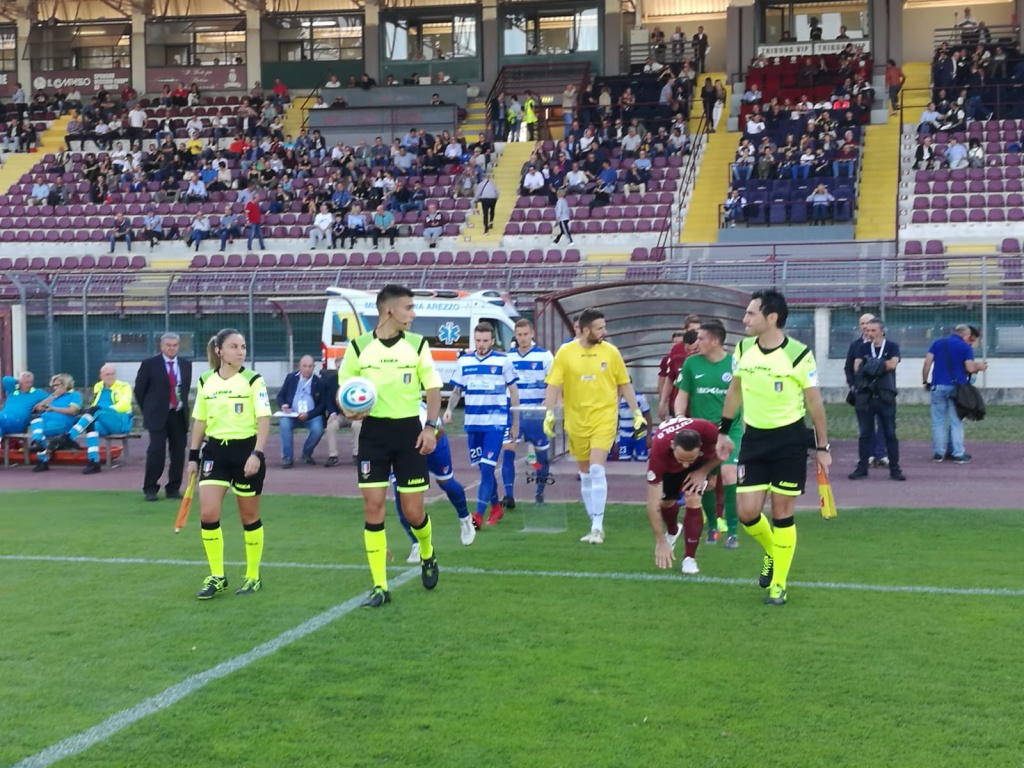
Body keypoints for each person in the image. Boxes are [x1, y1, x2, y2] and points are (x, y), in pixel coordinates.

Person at [716, 290, 831, 606]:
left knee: (782, 513)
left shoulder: (798, 354)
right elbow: (735, 392)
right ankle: (772, 552)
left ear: (772, 318)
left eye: (751, 314)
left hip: (790, 441)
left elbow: (815, 404)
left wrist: (823, 447)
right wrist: (723, 433)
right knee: (747, 514)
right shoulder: (742, 349)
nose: (744, 319)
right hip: (754, 440)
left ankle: (778, 585)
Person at [337, 284, 443, 608]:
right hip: (373, 435)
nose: (413, 313)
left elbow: (434, 388)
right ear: (389, 311)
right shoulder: (358, 348)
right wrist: (348, 409)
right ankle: (379, 586)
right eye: (408, 307)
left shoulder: (417, 344)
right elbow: (345, 391)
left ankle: (427, 551)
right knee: (374, 509)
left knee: (413, 512)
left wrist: (430, 428)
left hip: (409, 432)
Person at [543, 308, 644, 544]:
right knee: (586, 475)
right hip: (576, 420)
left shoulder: (611, 352)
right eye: (600, 328)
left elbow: (625, 383)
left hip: (604, 418)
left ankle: (597, 527)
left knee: (597, 470)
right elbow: (552, 385)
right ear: (586, 330)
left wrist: (636, 412)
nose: (604, 332)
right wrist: (549, 413)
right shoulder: (566, 352)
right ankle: (594, 524)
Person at [187, 329, 271, 599]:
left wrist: (256, 454)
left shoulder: (252, 380)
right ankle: (217, 576)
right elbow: (200, 420)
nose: (240, 351)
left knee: (249, 517)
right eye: (234, 346)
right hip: (215, 452)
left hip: (245, 451)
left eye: (243, 346)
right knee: (208, 514)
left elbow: (264, 420)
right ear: (219, 351)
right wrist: (192, 456)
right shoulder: (205, 381)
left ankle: (253, 576)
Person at [674, 320, 742, 548]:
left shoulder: (735, 363)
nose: (696, 343)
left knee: (730, 474)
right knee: (709, 483)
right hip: (702, 430)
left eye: (701, 338)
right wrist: (679, 417)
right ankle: (713, 527)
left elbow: (745, 396)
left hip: (730, 428)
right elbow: (682, 394)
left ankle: (732, 531)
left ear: (715, 341)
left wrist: (745, 425)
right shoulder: (692, 363)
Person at [445, 323, 520, 528]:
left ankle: (477, 515)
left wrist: (515, 423)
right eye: (478, 340)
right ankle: (496, 507)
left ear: (492, 341)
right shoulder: (465, 361)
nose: (481, 344)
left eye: (485, 341)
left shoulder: (503, 361)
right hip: (473, 424)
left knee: (487, 469)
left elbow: (514, 393)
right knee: (483, 470)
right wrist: (449, 409)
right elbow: (457, 391)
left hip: (495, 424)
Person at [396, 402, 475, 562]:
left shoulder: (417, 412)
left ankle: (465, 518)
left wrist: (423, 452)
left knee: (446, 482)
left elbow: (439, 432)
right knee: (402, 495)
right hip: (402, 450)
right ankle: (416, 543)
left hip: (434, 443)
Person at [647, 417, 723, 574]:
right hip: (669, 468)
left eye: (690, 460)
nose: (685, 466)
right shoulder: (658, 452)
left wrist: (703, 472)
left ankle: (689, 558)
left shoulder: (708, 430)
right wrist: (660, 541)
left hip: (701, 464)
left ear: (700, 446)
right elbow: (652, 505)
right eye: (681, 459)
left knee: (693, 498)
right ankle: (673, 531)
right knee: (666, 503)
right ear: (672, 446)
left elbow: (726, 449)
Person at [500, 319, 554, 508]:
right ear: (515, 335)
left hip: (536, 414)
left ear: (532, 334)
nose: (522, 338)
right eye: (519, 335)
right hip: (515, 413)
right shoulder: (508, 357)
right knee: (508, 452)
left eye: (525, 334)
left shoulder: (545, 356)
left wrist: (550, 401)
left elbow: (554, 382)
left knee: (541, 457)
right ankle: (509, 496)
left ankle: (539, 493)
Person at [135, 332, 193, 501]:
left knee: (178, 453)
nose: (171, 348)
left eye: (174, 345)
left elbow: (184, 388)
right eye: (168, 345)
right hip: (157, 415)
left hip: (178, 414)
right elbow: (140, 390)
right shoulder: (149, 364)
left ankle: (173, 488)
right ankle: (150, 488)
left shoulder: (185, 365)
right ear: (161, 346)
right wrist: (148, 409)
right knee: (156, 451)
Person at [49, 363, 134, 475]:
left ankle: (69, 437)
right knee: (91, 424)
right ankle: (94, 461)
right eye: (107, 374)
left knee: (94, 411)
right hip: (102, 421)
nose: (110, 376)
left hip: (120, 421)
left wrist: (104, 410)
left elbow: (125, 405)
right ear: (101, 376)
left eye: (112, 374)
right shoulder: (98, 386)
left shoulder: (124, 386)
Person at [922, 324, 987, 463]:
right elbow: (969, 368)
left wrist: (925, 381)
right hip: (956, 389)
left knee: (938, 421)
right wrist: (980, 367)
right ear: (966, 335)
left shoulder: (937, 343)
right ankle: (958, 453)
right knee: (956, 421)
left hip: (937, 385)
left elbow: (927, 363)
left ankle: (938, 453)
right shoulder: (965, 347)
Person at [849, 320, 905, 481]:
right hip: (866, 397)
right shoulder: (862, 347)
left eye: (873, 330)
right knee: (865, 433)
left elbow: (893, 364)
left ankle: (895, 469)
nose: (869, 333)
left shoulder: (892, 346)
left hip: (885, 396)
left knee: (890, 433)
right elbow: (857, 367)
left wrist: (871, 365)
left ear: (881, 331)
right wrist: (879, 365)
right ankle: (862, 467)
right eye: (867, 330)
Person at [845, 313, 888, 466]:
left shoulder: (886, 345)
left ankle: (881, 454)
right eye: (861, 324)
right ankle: (868, 454)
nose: (864, 327)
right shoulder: (856, 345)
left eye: (867, 323)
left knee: (883, 423)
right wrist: (853, 384)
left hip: (881, 391)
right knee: (865, 425)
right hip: (862, 391)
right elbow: (849, 367)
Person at [276, 355, 325, 468]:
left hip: (311, 416)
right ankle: (287, 457)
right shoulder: (291, 378)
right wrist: (283, 405)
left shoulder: (319, 382)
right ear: (299, 366)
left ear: (314, 367)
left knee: (318, 429)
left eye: (310, 366)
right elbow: (280, 396)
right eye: (304, 366)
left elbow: (323, 405)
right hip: (292, 414)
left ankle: (306, 453)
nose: (307, 369)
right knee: (284, 424)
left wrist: (309, 414)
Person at [29, 374, 83, 472]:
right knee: (36, 422)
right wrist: (52, 397)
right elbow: (36, 407)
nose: (55, 388)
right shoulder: (53, 396)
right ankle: (37, 443)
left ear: (66, 385)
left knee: (39, 432)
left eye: (58, 385)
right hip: (45, 421)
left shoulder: (74, 395)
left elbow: (72, 411)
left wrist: (54, 408)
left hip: (61, 423)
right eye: (54, 386)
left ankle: (42, 460)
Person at [658, 316, 701, 420]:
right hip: (678, 405)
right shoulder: (676, 351)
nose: (696, 333)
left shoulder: (704, 348)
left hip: (699, 407)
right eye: (693, 330)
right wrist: (662, 402)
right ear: (685, 330)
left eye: (698, 330)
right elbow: (668, 378)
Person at [0, 371, 49, 438]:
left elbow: (52, 399)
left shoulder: (37, 393)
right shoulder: (13, 390)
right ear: (20, 382)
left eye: (30, 382)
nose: (29, 385)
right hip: (4, 421)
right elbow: (6, 379)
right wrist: (18, 381)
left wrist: (41, 404)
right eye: (26, 383)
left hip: (18, 422)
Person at [612, 391, 652, 461]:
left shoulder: (640, 397)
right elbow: (616, 420)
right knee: (623, 461)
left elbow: (648, 417)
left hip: (640, 434)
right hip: (624, 436)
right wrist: (616, 439)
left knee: (642, 461)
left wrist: (649, 436)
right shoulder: (617, 399)